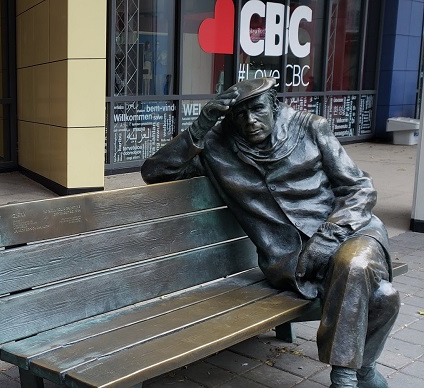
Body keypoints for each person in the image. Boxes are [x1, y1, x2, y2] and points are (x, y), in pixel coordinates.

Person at [141, 77, 399, 388]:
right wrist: (201, 125)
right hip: (292, 263)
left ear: (274, 105)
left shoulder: (310, 127)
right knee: (384, 296)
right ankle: (365, 371)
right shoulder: (217, 146)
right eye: (239, 115)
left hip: (350, 232)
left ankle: (343, 379)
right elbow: (154, 172)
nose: (250, 121)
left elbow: (359, 188)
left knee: (353, 265)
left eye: (257, 110)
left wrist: (328, 237)